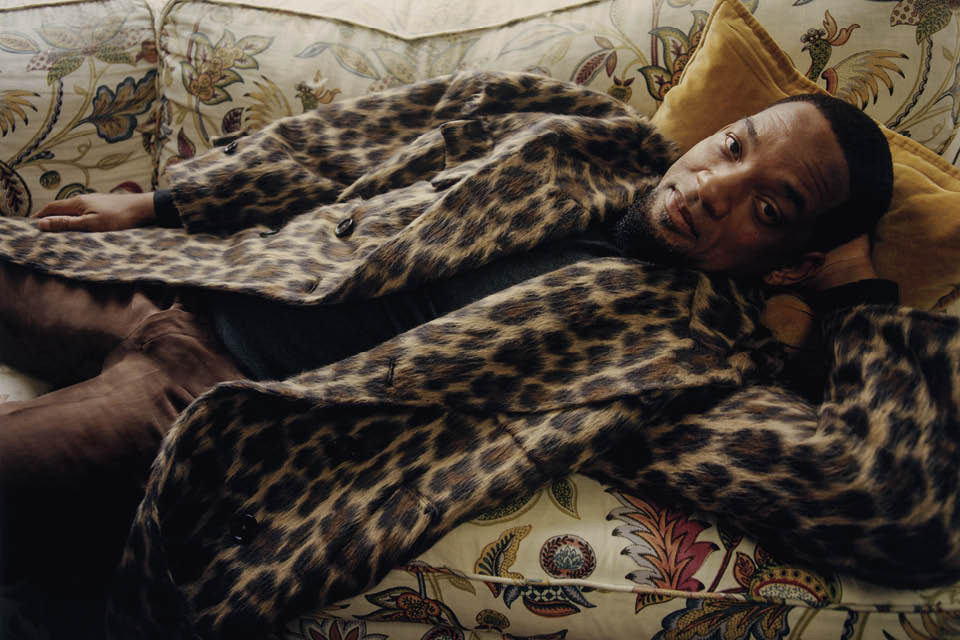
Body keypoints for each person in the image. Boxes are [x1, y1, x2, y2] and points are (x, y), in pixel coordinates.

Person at [0, 71, 953, 638]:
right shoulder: (577, 132)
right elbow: (362, 136)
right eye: (732, 148)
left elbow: (894, 508)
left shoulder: (692, 362)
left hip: (218, 403)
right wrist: (166, 203)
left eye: (769, 207)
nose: (715, 186)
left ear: (789, 265)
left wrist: (856, 296)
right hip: (205, 271)